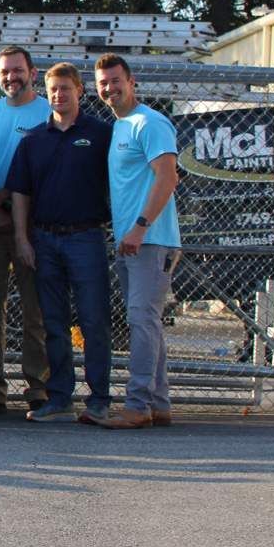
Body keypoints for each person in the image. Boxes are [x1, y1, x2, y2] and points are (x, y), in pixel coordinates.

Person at [7, 63, 113, 423]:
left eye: (65, 88)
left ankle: (99, 397)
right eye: (53, 89)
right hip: (44, 240)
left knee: (93, 319)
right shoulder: (34, 139)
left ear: (79, 90)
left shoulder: (101, 134)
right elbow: (20, 192)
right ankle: (59, 396)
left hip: (86, 237)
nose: (58, 95)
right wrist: (23, 238)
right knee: (53, 321)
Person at [96, 53, 180, 429]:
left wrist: (141, 227)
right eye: (103, 83)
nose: (109, 88)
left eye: (116, 81)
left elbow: (167, 178)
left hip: (150, 240)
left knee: (141, 321)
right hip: (132, 241)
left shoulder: (150, 123)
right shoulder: (120, 126)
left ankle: (137, 406)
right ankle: (158, 404)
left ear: (132, 82)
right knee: (149, 321)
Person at [0, 46, 51, 413]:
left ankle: (38, 386)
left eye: (17, 70)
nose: (10, 77)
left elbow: (49, 174)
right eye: (4, 71)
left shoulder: (49, 113)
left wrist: (9, 204)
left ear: (33, 73)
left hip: (33, 225)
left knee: (36, 310)